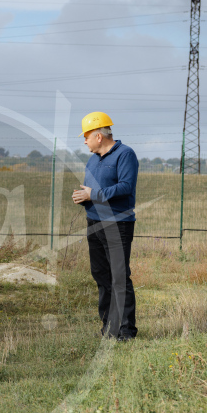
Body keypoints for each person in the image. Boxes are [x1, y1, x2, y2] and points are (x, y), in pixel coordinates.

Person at [72, 111, 139, 341]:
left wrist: (94, 194)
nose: (84, 140)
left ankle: (126, 331)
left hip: (117, 225)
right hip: (94, 224)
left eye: (86, 135)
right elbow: (91, 192)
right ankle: (109, 328)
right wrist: (83, 197)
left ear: (99, 136)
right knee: (101, 275)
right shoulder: (92, 159)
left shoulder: (125, 155)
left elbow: (126, 187)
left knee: (119, 277)